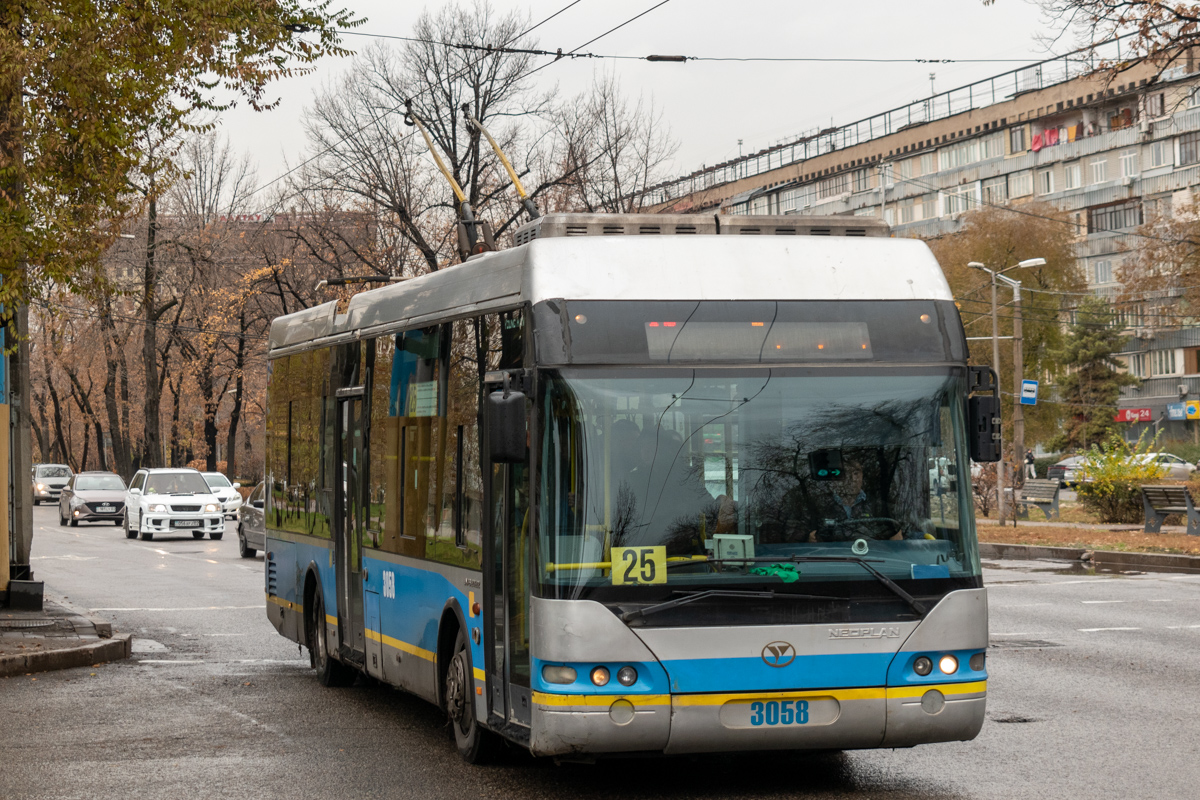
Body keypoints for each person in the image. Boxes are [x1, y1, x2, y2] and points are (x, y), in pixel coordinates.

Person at [809, 458, 897, 542]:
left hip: (871, 555)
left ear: (862, 476)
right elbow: (803, 538)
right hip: (833, 556)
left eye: (856, 473)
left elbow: (894, 536)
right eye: (846, 474)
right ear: (835, 479)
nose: (853, 479)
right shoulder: (821, 506)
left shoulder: (878, 506)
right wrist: (811, 539)